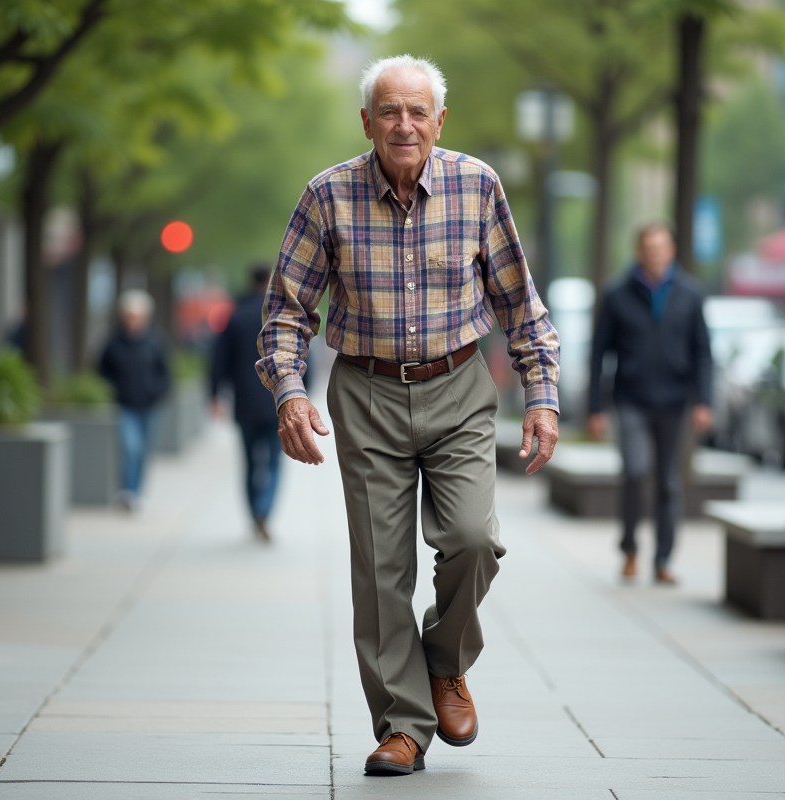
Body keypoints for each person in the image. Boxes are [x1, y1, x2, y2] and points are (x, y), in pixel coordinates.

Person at [256, 55, 560, 777]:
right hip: (366, 393)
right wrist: (291, 393)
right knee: (380, 569)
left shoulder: (476, 185)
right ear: (367, 121)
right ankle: (403, 725)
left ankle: (444, 660)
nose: (404, 124)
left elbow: (520, 304)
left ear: (439, 121)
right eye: (389, 111)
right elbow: (285, 313)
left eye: (417, 112)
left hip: (457, 387)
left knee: (473, 539)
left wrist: (542, 395)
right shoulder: (326, 196)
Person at [587, 223, 713, 585]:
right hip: (630, 400)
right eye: (648, 248)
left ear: (671, 250)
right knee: (636, 471)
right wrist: (595, 408)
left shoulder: (690, 293)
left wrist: (703, 401)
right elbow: (599, 354)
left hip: (675, 402)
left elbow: (703, 352)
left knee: (669, 483)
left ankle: (663, 559)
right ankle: (629, 549)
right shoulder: (616, 293)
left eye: (661, 247)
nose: (655, 254)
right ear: (638, 252)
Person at [211, 265, 282, 543]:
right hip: (277, 401)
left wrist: (215, 394)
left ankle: (255, 512)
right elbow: (302, 354)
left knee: (250, 462)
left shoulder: (235, 316)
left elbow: (218, 359)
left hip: (245, 402)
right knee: (275, 462)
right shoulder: (278, 317)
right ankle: (265, 510)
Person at [98, 290, 171, 512]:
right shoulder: (113, 342)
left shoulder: (155, 341)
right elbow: (102, 370)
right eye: (129, 316)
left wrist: (157, 392)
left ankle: (137, 491)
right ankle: (128, 491)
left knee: (143, 451)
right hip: (125, 405)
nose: (132, 321)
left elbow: (165, 372)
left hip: (149, 406)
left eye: (137, 316)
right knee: (130, 447)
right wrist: (113, 391)